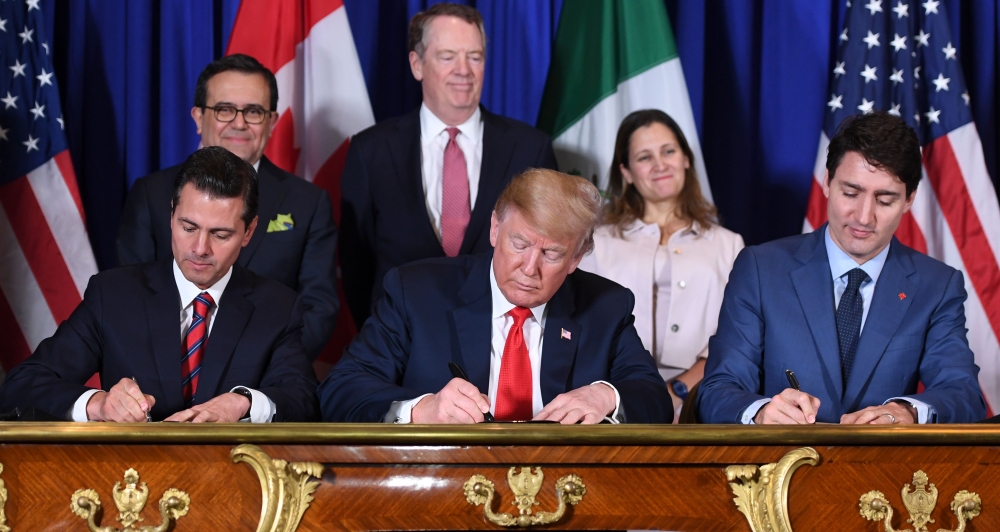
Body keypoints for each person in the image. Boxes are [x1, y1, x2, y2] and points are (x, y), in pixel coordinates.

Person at [697, 112, 984, 425]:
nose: (863, 216)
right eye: (851, 193)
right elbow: (717, 390)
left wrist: (908, 411)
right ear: (827, 183)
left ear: (909, 199)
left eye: (885, 200)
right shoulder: (760, 269)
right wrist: (762, 412)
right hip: (781, 466)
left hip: (882, 471)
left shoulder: (937, 286)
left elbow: (963, 394)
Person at [320, 168, 672, 424]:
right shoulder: (416, 292)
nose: (529, 267)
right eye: (519, 244)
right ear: (494, 229)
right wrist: (421, 409)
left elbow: (654, 398)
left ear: (576, 258)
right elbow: (340, 390)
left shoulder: (606, 306)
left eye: (552, 254)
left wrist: (604, 395)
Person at [0, 146, 319, 423]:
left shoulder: (276, 307)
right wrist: (99, 404)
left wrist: (244, 403)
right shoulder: (113, 295)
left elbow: (303, 401)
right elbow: (22, 385)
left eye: (220, 234)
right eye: (188, 227)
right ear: (171, 216)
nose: (200, 248)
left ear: (249, 232)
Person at [339, 3, 558, 329]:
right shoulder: (371, 150)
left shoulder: (530, 148)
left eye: (475, 57)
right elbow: (357, 268)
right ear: (417, 64)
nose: (464, 70)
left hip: (500, 345)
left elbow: (549, 251)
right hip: (399, 347)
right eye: (447, 56)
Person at [117, 54, 337, 361]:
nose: (239, 123)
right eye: (224, 110)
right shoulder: (151, 193)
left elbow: (318, 309)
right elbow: (129, 296)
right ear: (198, 117)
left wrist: (258, 369)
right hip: (164, 375)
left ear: (272, 122)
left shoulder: (308, 203)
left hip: (266, 381)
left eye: (254, 112)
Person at [578, 110, 743, 422]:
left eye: (668, 151)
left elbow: (737, 339)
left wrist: (679, 389)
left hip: (703, 400)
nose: (660, 165)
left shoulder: (729, 245)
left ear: (686, 159)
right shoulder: (597, 243)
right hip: (613, 405)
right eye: (644, 157)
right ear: (626, 171)